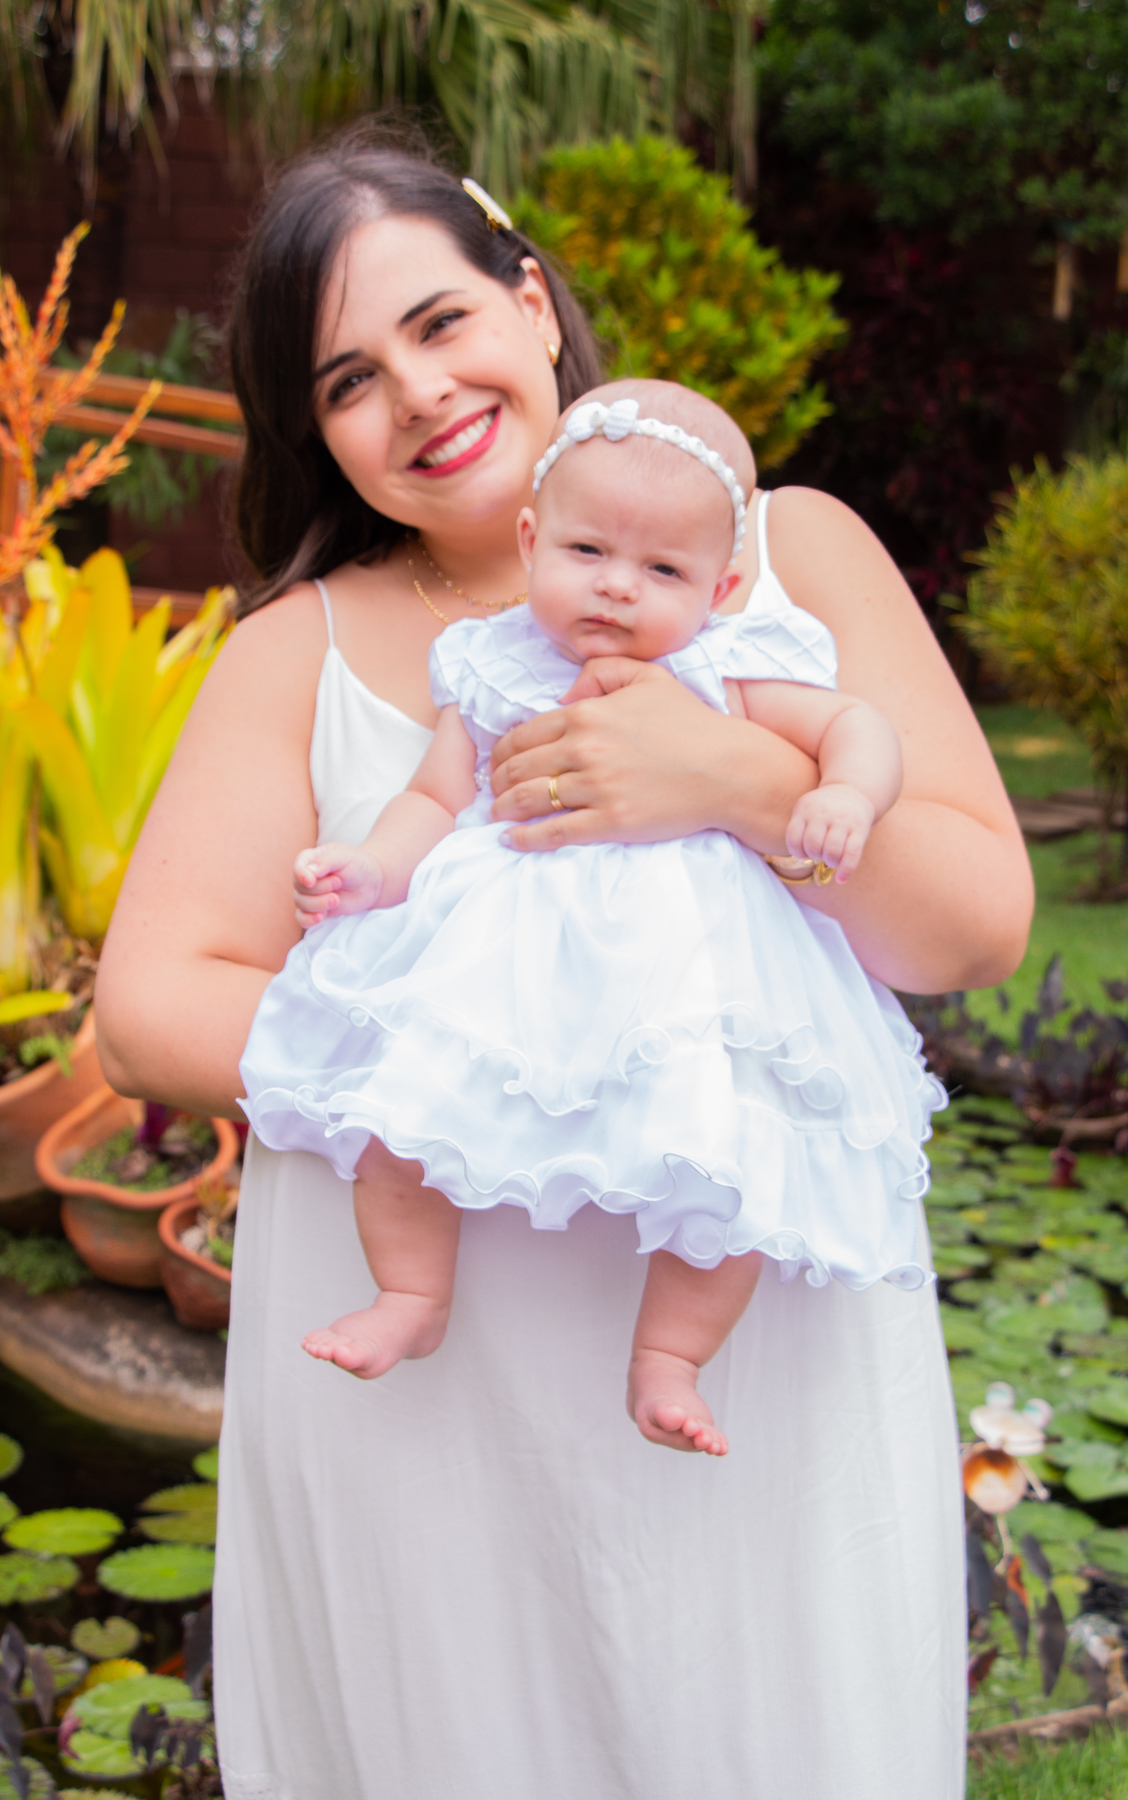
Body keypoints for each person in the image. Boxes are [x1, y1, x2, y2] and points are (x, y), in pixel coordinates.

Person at [95, 128, 1033, 1800]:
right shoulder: (299, 652)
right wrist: (489, 1052)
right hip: (435, 1405)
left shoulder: (784, 562)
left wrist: (738, 783)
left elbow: (972, 923)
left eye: (441, 322)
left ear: (530, 303)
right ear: (316, 432)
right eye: (348, 381)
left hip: (751, 1358)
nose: (418, 395)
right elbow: (150, 1006)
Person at [240, 377, 937, 1461]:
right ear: (532, 540)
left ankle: (670, 1358)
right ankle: (411, 1294)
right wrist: (370, 870)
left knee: (734, 1167)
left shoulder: (724, 666)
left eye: (663, 571)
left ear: (722, 586)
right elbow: (434, 796)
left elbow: (860, 726)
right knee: (403, 1120)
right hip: (504, 963)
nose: (617, 586)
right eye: (587, 551)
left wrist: (845, 794)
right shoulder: (492, 665)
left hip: (686, 981)